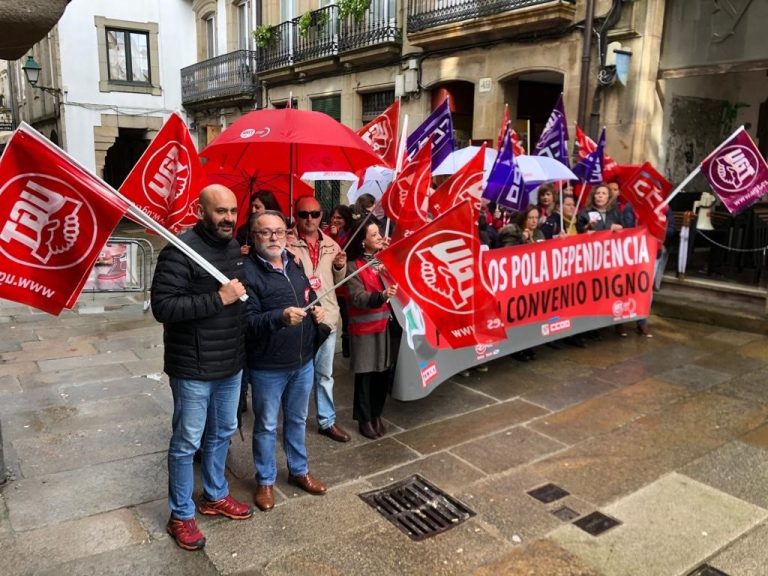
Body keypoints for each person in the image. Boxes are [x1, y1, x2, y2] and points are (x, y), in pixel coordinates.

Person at [151, 184, 253, 552]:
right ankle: (180, 514)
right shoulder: (178, 250)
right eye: (220, 211)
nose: (228, 218)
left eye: (232, 210)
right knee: (186, 442)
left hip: (230, 364)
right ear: (200, 210)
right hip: (192, 367)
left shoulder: (232, 247)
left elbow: (240, 301)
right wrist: (218, 298)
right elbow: (165, 307)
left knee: (222, 433)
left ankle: (215, 495)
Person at [244, 210, 328, 512]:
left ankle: (299, 471)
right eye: (266, 232)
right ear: (254, 237)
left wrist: (315, 309)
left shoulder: (294, 262)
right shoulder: (247, 272)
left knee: (297, 420)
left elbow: (308, 293)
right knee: (266, 425)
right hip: (268, 366)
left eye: (279, 231)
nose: (274, 237)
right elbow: (248, 321)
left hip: (302, 359)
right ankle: (265, 480)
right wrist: (279, 318)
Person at [289, 197, 351, 443]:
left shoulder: (332, 245)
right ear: (296, 215)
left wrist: (339, 268)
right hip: (300, 319)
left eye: (315, 214)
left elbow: (337, 283)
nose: (309, 219)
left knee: (324, 374)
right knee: (297, 376)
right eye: (304, 214)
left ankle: (327, 420)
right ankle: (296, 421)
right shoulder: (287, 245)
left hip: (327, 318)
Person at [345, 218, 398, 439]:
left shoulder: (384, 260)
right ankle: (364, 418)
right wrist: (381, 296)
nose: (379, 238)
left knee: (382, 373)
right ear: (363, 241)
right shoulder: (353, 265)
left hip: (386, 325)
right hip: (365, 328)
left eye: (379, 234)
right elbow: (358, 297)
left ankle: (377, 414)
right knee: (366, 375)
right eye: (374, 235)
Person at [323, 204, 355, 357]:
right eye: (333, 217)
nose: (335, 220)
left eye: (339, 218)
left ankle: (348, 347)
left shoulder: (351, 234)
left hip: (346, 284)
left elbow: (341, 254)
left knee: (348, 318)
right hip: (331, 285)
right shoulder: (326, 233)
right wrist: (332, 234)